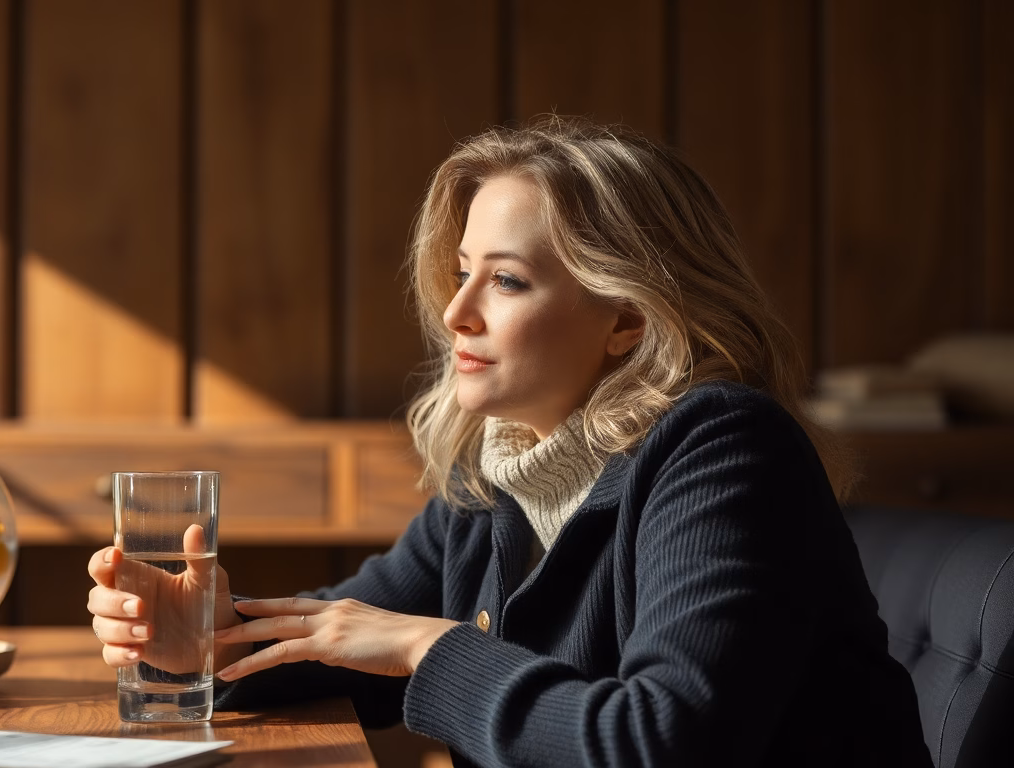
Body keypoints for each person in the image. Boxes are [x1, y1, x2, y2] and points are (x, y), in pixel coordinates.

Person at [87, 116, 932, 767]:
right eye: (463, 273)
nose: (457, 313)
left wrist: (425, 645)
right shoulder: (503, 467)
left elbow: (660, 744)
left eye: (507, 280)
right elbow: (347, 641)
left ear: (628, 317)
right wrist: (204, 642)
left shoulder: (724, 448)